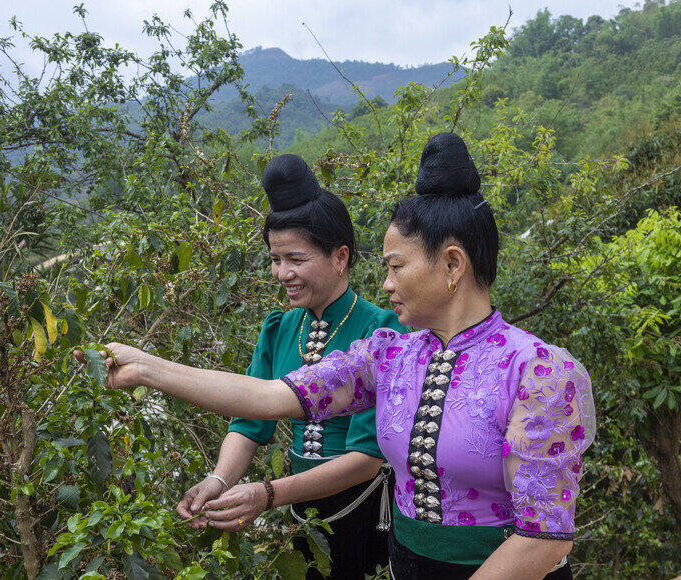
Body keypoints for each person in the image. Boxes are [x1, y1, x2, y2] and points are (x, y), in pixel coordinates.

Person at [86, 133, 594, 580]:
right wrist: (148, 367)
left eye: (396, 267)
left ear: (452, 264)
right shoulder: (390, 354)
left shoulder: (538, 371)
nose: (387, 285)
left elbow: (545, 539)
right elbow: (268, 396)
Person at [177, 154, 405, 579]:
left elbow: (366, 457)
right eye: (275, 259)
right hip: (300, 513)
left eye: (296, 259)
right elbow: (249, 422)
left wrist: (268, 494)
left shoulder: (381, 331)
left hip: (363, 511)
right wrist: (220, 482)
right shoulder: (279, 328)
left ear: (340, 257)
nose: (282, 273)